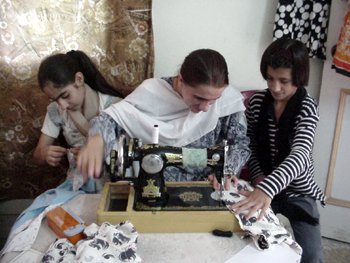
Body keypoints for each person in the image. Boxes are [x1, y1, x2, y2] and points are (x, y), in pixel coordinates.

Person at [77, 49, 250, 184]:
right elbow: (110, 119)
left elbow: (240, 145)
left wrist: (227, 171)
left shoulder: (228, 101)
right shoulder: (151, 92)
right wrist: (96, 139)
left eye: (214, 101)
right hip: (156, 184)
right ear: (181, 80)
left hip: (208, 185)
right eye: (199, 98)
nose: (206, 108)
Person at [231, 38, 326, 262]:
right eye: (270, 78)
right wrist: (257, 177)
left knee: (311, 254)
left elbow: (300, 154)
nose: (275, 87)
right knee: (247, 245)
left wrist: (267, 188)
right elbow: (251, 146)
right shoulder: (256, 103)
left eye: (284, 81)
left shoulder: (307, 108)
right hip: (261, 183)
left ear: (299, 78)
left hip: (298, 192)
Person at [33, 50, 123, 192]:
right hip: (77, 183)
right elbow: (37, 155)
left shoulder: (115, 106)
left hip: (114, 184)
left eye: (65, 95)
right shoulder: (56, 110)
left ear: (79, 79)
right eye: (56, 99)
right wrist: (45, 154)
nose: (62, 105)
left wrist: (92, 154)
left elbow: (129, 156)